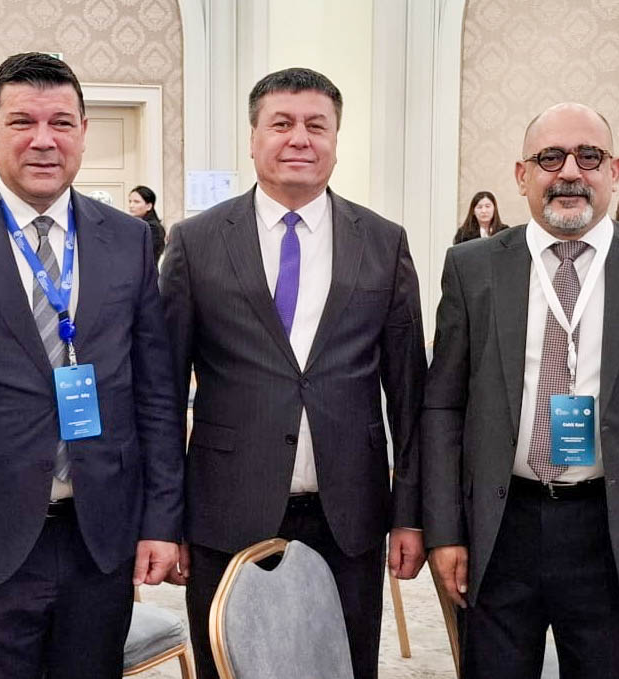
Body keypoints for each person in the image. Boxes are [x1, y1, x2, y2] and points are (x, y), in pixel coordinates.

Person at [0, 53, 183, 679]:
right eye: (23, 122)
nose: (43, 140)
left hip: (99, 535)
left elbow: (155, 392)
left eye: (61, 123)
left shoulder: (128, 239)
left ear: (83, 132)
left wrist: (160, 520)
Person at [423, 103, 619, 678]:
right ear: (522, 175)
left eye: (588, 157)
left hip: (617, 535)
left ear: (614, 171)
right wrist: (444, 529)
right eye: (549, 157)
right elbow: (442, 405)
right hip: (498, 528)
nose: (569, 171)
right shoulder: (472, 266)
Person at [159, 67, 427, 679]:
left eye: (316, 125)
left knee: (344, 666)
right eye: (281, 123)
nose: (299, 138)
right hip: (225, 509)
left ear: (336, 139)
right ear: (253, 138)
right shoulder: (196, 242)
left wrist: (410, 514)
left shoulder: (383, 242)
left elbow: (410, 394)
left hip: (349, 512)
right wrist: (165, 519)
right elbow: (164, 394)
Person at [127, 185, 166, 260]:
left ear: (149, 206)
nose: (131, 205)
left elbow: (148, 255)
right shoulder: (138, 224)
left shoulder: (152, 228)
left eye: (136, 202)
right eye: (130, 201)